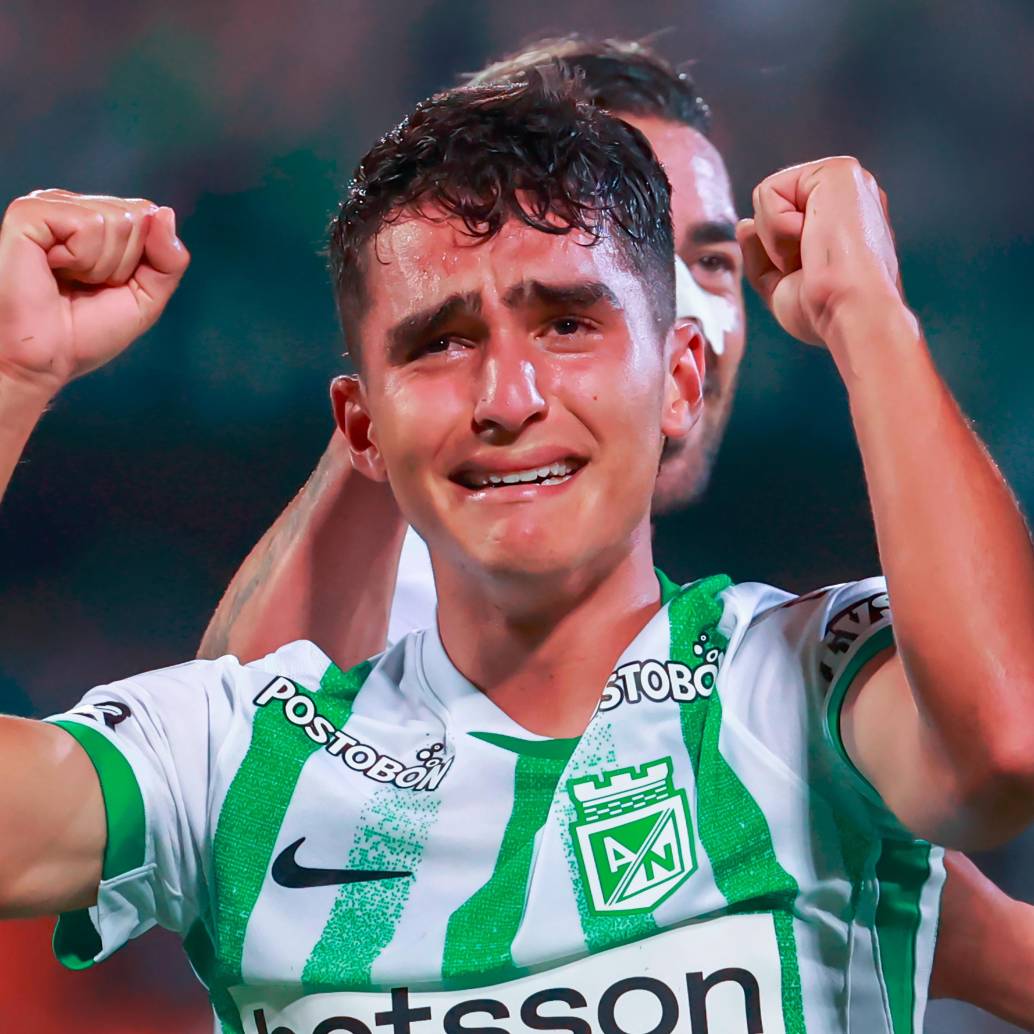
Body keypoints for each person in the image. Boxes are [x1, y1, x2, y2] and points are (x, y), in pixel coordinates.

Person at [2, 73, 1034, 1034]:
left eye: (567, 324)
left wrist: (870, 321)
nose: (508, 398)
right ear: (361, 429)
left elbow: (1002, 747)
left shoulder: (799, 690)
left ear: (678, 378)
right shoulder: (243, 753)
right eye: (440, 342)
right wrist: (10, 374)